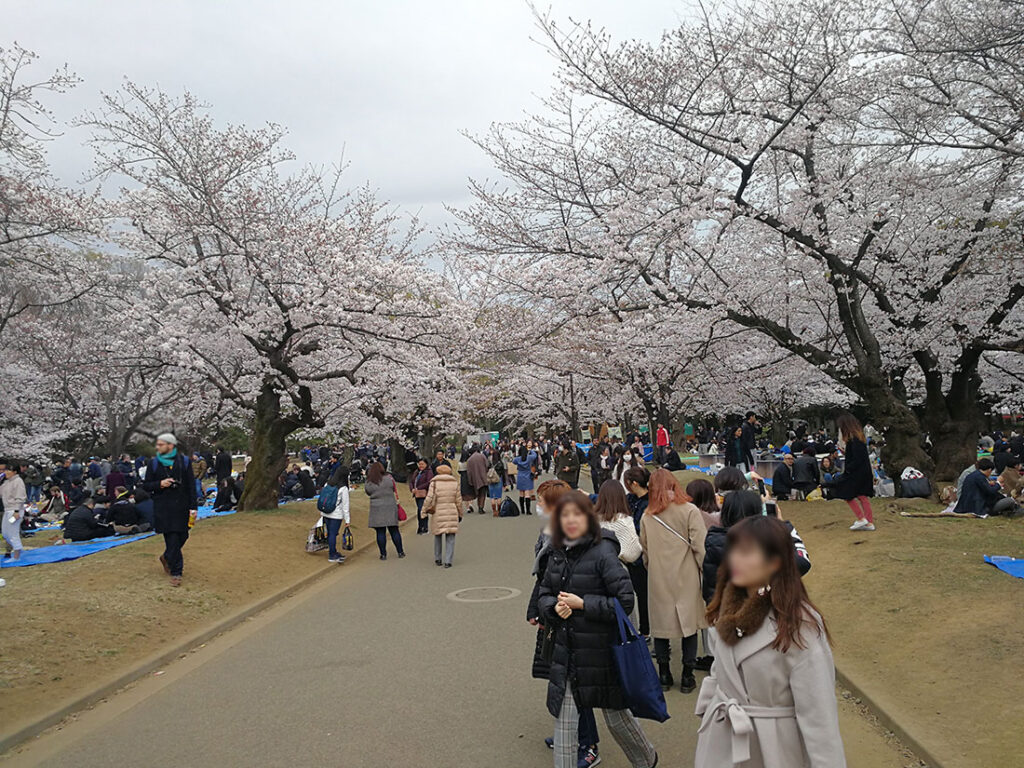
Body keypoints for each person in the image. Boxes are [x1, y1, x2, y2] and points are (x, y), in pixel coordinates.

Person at [696, 516, 846, 768]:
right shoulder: (725, 609)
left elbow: (819, 717)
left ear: (775, 562)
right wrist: (709, 706)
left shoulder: (800, 626)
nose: (735, 560)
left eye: (746, 553)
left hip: (774, 750)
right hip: (722, 742)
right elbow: (720, 671)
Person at [538, 490, 659, 768]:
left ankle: (647, 759)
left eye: (576, 515)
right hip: (566, 652)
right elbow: (544, 591)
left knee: (618, 718)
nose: (570, 521)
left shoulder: (604, 552)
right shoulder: (557, 552)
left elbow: (626, 601)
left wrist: (584, 604)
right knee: (566, 723)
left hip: (602, 653)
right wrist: (552, 608)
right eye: (564, 516)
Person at [640, 468, 707, 694]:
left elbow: (645, 552)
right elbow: (700, 546)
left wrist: (653, 567)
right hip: (686, 574)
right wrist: (702, 570)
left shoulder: (647, 516)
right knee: (690, 624)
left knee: (661, 626)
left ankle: (664, 674)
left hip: (659, 576)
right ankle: (687, 676)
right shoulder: (690, 510)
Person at [142, 433, 198, 587]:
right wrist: (160, 484)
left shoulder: (185, 462)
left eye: (161, 444)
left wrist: (193, 507)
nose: (157, 447)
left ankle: (167, 556)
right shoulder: (153, 464)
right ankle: (176, 572)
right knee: (172, 537)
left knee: (183, 535)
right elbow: (146, 485)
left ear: (171, 445)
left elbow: (191, 486)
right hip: (164, 507)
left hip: (182, 506)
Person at [623, 466, 652, 639]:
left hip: (645, 555)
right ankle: (644, 628)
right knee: (638, 593)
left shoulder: (650, 503)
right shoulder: (630, 499)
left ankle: (646, 630)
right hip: (632, 556)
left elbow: (641, 529)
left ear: (634, 483)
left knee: (645, 596)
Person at [834, 414, 876, 531]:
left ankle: (861, 518)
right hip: (863, 472)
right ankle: (869, 522)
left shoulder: (854, 440)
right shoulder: (859, 438)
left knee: (847, 494)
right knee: (862, 496)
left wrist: (848, 469)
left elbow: (857, 459)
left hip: (856, 472)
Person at [594, 479, 643, 565]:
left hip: (596, 566)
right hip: (617, 566)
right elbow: (632, 553)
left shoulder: (591, 520)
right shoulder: (624, 521)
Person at [423, 463, 462, 568]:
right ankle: (448, 560)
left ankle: (438, 558)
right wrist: (460, 513)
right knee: (450, 536)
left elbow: (429, 498)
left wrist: (423, 511)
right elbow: (458, 500)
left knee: (437, 535)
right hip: (452, 510)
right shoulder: (455, 483)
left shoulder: (434, 483)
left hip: (438, 511)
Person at [364, 461, 404, 561]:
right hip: (390, 505)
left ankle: (383, 554)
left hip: (377, 507)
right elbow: (393, 488)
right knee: (394, 530)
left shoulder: (370, 480)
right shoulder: (389, 478)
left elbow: (368, 492)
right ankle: (400, 551)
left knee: (380, 532)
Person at [320, 464, 351, 563]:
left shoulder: (328, 484)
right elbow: (345, 506)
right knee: (333, 534)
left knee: (329, 533)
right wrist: (347, 520)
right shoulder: (343, 488)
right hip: (336, 514)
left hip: (325, 512)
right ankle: (332, 554)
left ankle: (333, 551)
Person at [0, 461, 27, 560]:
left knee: (13, 533)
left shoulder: (18, 481)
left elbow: (20, 497)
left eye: (8, 470)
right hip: (7, 510)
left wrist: (16, 511)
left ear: (15, 472)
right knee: (5, 533)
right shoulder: (7, 482)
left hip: (15, 510)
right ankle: (18, 548)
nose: (6, 472)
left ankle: (16, 556)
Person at [409, 459, 434, 534]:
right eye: (419, 464)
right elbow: (412, 481)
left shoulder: (429, 472)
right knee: (419, 510)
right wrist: (412, 488)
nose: (421, 466)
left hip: (424, 493)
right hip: (417, 494)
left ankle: (424, 527)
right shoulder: (416, 472)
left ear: (426, 464)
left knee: (422, 509)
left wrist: (418, 488)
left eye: (422, 464)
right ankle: (421, 526)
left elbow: (428, 482)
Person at [513, 445, 538, 515]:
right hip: (527, 476)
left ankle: (522, 510)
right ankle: (528, 511)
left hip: (520, 476)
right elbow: (535, 455)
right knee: (527, 493)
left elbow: (513, 461)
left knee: (521, 493)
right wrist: (531, 450)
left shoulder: (517, 459)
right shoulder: (529, 458)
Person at [466, 445, 490, 515]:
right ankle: (481, 507)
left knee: (478, 493)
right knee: (483, 493)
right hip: (483, 477)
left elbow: (469, 472)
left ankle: (479, 505)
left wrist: (470, 480)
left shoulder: (469, 460)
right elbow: (487, 465)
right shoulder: (482, 456)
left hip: (475, 478)